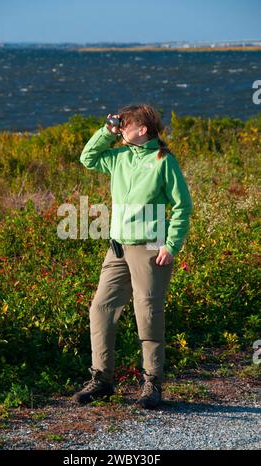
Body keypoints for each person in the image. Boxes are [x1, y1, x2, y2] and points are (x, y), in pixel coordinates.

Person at [72, 104, 193, 409]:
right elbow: (88, 158)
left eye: (124, 124)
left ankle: (152, 383)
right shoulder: (119, 158)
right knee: (101, 308)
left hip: (152, 248)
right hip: (117, 248)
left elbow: (182, 207)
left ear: (142, 130)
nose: (120, 127)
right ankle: (101, 380)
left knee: (147, 314)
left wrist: (171, 245)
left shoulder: (163, 161)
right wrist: (107, 132)